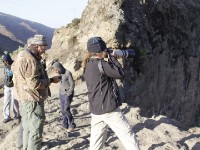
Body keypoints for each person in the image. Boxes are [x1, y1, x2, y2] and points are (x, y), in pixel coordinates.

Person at [82, 37, 140, 150]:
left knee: (96, 141)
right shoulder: (101, 65)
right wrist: (113, 57)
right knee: (128, 135)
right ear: (99, 52)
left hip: (96, 110)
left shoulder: (88, 64)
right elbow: (120, 73)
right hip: (109, 110)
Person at [12, 34, 60, 150]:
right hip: (33, 101)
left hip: (24, 99)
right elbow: (33, 83)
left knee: (27, 130)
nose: (44, 51)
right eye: (43, 48)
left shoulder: (21, 55)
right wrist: (51, 80)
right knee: (35, 132)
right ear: (37, 46)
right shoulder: (30, 59)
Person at [51, 61, 76, 131]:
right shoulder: (60, 74)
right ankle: (64, 125)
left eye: (56, 69)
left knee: (66, 109)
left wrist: (69, 93)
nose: (55, 71)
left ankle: (72, 124)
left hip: (67, 94)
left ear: (59, 68)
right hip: (61, 94)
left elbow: (72, 84)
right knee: (62, 110)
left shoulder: (68, 73)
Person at [2, 53, 20, 123]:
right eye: (3, 61)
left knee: (15, 101)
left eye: (5, 61)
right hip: (7, 86)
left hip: (14, 86)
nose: (4, 62)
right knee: (6, 102)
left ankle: (16, 115)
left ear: (8, 60)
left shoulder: (14, 65)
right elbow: (5, 75)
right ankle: (7, 117)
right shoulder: (5, 65)